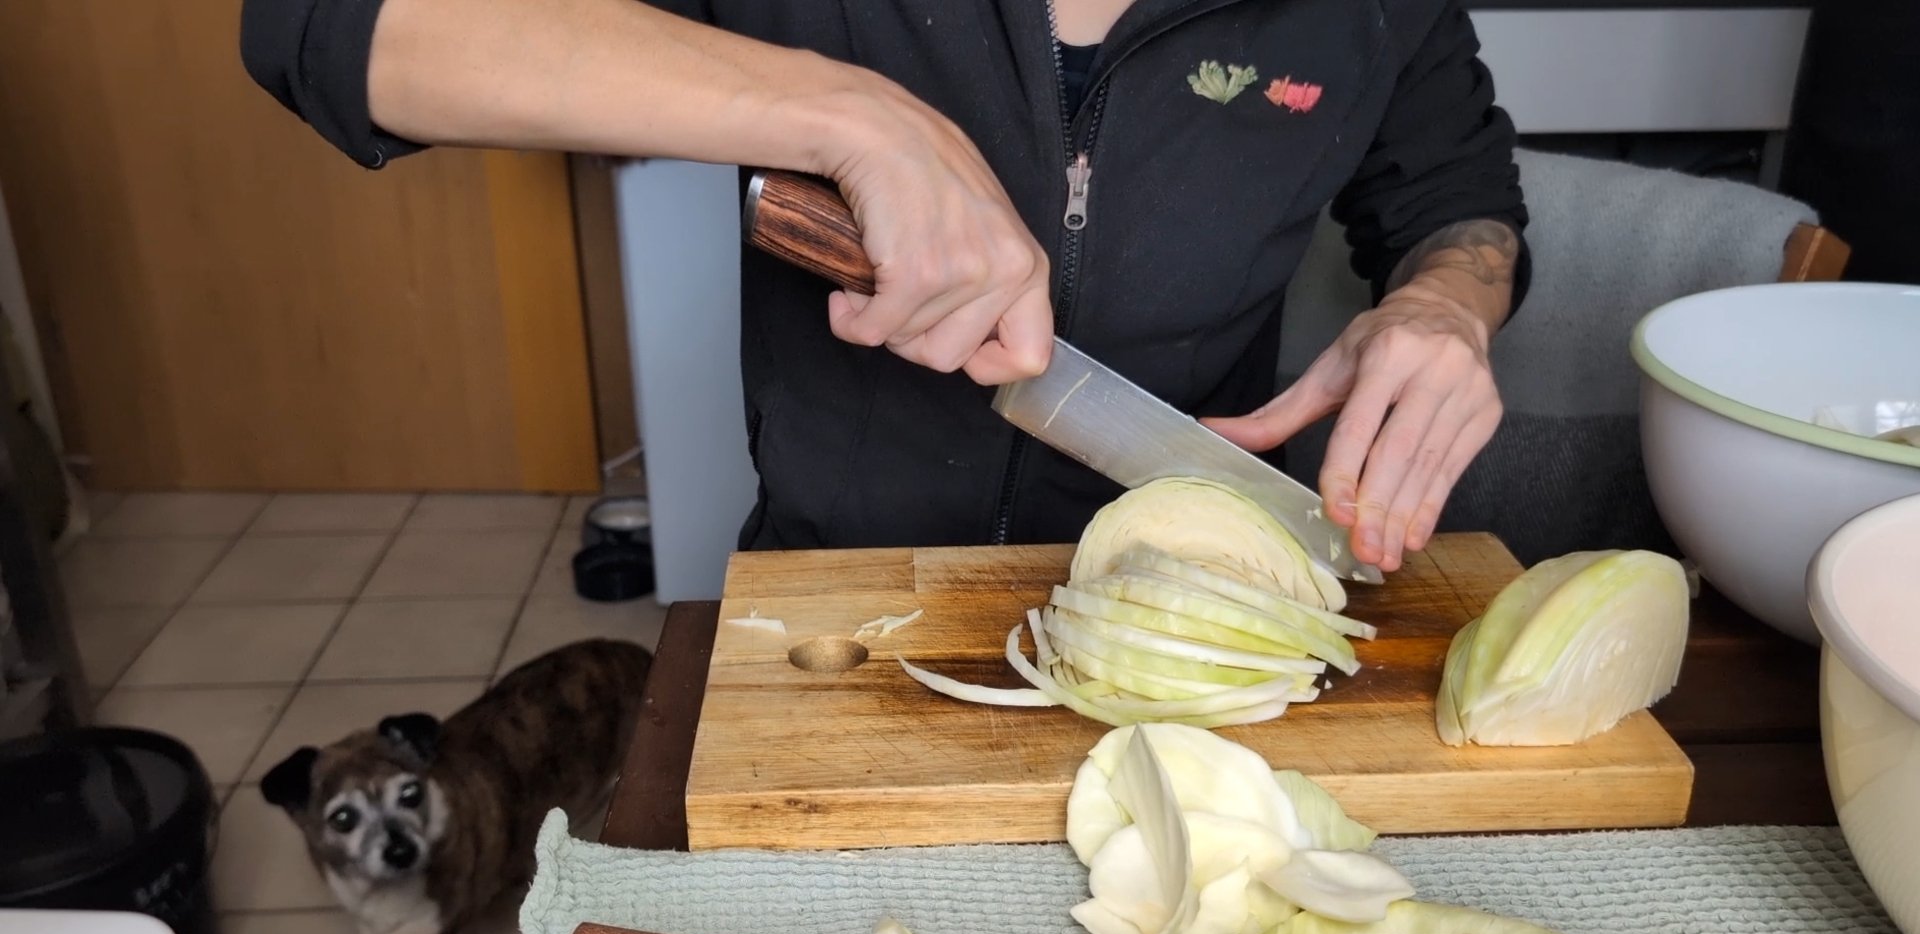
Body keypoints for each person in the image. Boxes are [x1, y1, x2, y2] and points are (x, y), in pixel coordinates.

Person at [240, 0, 1530, 573]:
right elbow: (335, 26)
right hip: (839, 603)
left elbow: (1461, 196)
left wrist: (1446, 302)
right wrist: (848, 115)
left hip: (1187, 610)